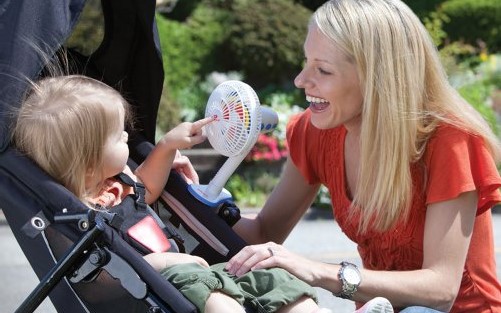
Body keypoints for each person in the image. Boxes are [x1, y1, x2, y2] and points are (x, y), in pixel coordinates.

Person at [11, 74, 391, 313]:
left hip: (204, 272)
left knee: (274, 279)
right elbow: (98, 282)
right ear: (88, 161)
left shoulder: (121, 183)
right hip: (158, 287)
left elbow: (150, 187)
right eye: (117, 135)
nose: (128, 135)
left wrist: (166, 147)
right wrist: (160, 266)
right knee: (215, 300)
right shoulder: (76, 213)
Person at [225, 0, 501, 313]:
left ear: (378, 78)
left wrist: (319, 271)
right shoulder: (316, 130)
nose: (301, 80)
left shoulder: (451, 141)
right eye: (306, 62)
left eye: (323, 70)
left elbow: (441, 289)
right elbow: (263, 234)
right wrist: (187, 194)